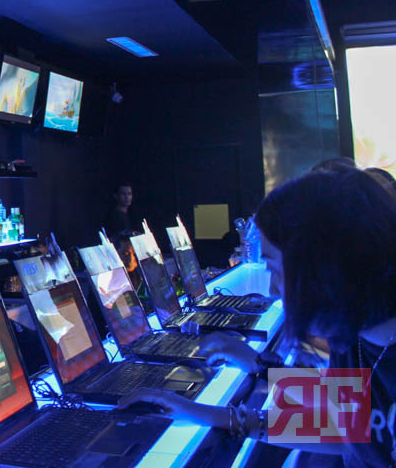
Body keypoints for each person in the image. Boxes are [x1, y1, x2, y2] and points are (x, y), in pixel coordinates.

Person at [119, 169, 396, 466]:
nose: (274, 290)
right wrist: (216, 411)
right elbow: (348, 426)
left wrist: (257, 376)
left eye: (275, 269)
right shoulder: (356, 336)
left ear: (326, 269)